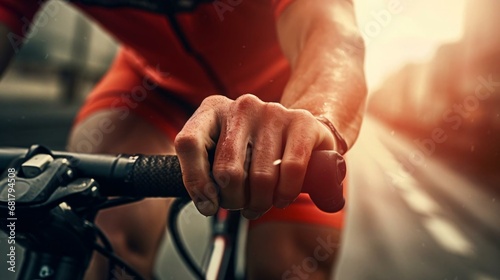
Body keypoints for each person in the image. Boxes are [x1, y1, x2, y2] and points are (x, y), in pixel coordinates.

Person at [0, 0, 367, 279]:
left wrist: (316, 118)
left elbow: (335, 38)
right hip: (154, 90)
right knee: (107, 240)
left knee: (289, 267)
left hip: (285, 102)